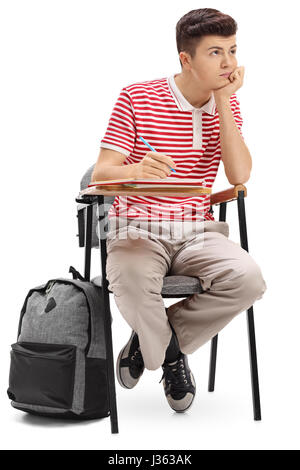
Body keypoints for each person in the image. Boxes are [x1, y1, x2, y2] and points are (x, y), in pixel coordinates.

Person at [91, 8, 267, 413]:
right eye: (215, 53)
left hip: (197, 231)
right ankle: (172, 357)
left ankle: (148, 343)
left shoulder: (228, 105)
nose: (229, 63)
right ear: (186, 59)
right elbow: (100, 173)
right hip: (136, 228)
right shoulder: (137, 96)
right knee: (133, 282)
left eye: (233, 51)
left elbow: (239, 174)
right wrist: (135, 169)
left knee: (248, 279)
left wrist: (222, 101)